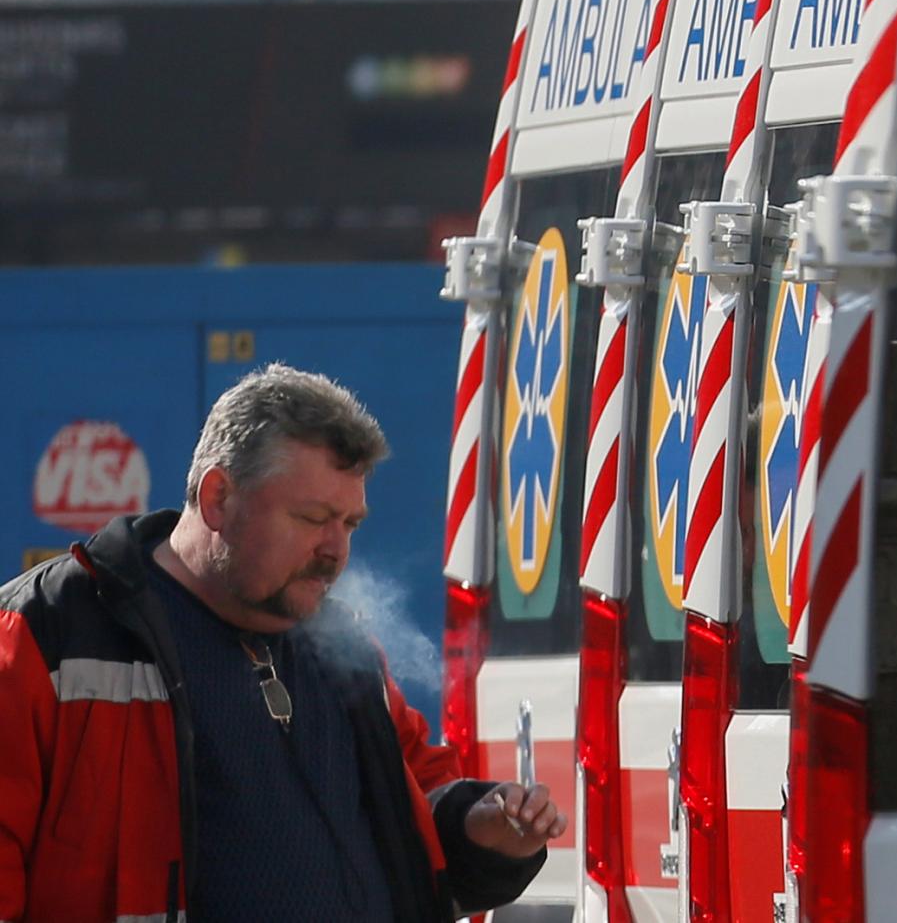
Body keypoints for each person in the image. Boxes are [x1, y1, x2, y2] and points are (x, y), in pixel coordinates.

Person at [0, 363, 565, 921]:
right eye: (313, 517)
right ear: (218, 497)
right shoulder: (48, 630)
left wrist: (482, 830)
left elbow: (415, 809)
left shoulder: (346, 651)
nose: (335, 550)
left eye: (350, 524)